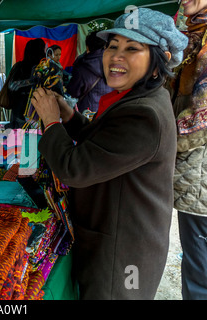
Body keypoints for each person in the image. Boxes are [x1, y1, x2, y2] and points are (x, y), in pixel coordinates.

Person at [31, 8, 187, 299]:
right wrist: (69, 117)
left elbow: (75, 169)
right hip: (117, 238)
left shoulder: (144, 115)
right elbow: (104, 145)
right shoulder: (138, 98)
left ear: (158, 63)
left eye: (132, 48)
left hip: (124, 256)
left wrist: (51, 122)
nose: (116, 56)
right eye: (112, 46)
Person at [170, 0, 207, 300]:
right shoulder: (193, 37)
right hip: (193, 173)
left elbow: (202, 118)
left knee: (199, 269)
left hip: (200, 176)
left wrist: (159, 140)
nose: (184, 0)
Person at [67, 31, 112, 113]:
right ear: (105, 46)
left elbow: (73, 92)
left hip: (88, 113)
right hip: (108, 112)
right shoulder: (114, 63)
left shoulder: (83, 67)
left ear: (88, 47)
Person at [5, 38, 45, 129]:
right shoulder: (36, 69)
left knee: (19, 140)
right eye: (43, 50)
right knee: (31, 139)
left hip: (21, 111)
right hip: (26, 111)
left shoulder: (21, 67)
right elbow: (11, 86)